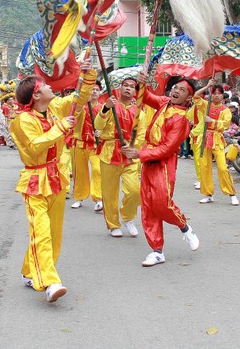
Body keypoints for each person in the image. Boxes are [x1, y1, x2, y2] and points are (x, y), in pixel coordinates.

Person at [10, 62, 95, 302]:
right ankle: (49, 281)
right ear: (36, 95)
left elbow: (80, 97)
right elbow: (35, 145)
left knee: (54, 233)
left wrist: (86, 73)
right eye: (45, 85)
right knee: (42, 232)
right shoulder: (22, 120)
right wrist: (60, 127)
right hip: (35, 179)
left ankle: (30, 270)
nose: (51, 87)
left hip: (56, 177)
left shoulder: (56, 106)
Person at [121, 71, 200, 267]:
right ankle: (157, 251)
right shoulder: (164, 103)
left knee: (161, 203)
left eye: (182, 90)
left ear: (188, 97)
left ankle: (184, 226)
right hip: (148, 158)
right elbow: (146, 97)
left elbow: (167, 148)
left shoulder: (181, 119)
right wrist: (142, 83)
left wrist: (139, 154)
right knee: (148, 206)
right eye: (175, 87)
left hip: (164, 164)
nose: (176, 91)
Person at [94, 78, 144, 237]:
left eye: (132, 87)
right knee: (109, 192)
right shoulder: (110, 106)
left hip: (129, 155)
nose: (128, 88)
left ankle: (128, 217)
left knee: (135, 190)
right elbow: (98, 126)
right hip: (110, 153)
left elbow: (142, 135)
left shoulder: (139, 112)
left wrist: (133, 149)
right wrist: (105, 109)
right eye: (125, 85)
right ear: (120, 88)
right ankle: (113, 224)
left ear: (136, 92)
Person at [197, 85, 239, 206]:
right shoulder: (206, 105)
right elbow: (195, 97)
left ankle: (232, 194)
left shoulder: (225, 110)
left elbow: (225, 124)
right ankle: (208, 194)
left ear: (222, 95)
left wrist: (212, 121)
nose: (216, 95)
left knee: (222, 167)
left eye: (219, 93)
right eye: (214, 93)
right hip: (205, 138)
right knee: (205, 167)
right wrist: (207, 86)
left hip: (217, 139)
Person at [70, 83, 103, 211]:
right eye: (92, 90)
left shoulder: (103, 108)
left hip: (95, 145)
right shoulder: (80, 107)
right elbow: (73, 117)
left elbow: (107, 124)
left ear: (100, 93)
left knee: (97, 169)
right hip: (79, 143)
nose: (94, 92)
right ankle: (79, 197)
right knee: (80, 172)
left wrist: (101, 132)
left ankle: (99, 198)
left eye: (97, 90)